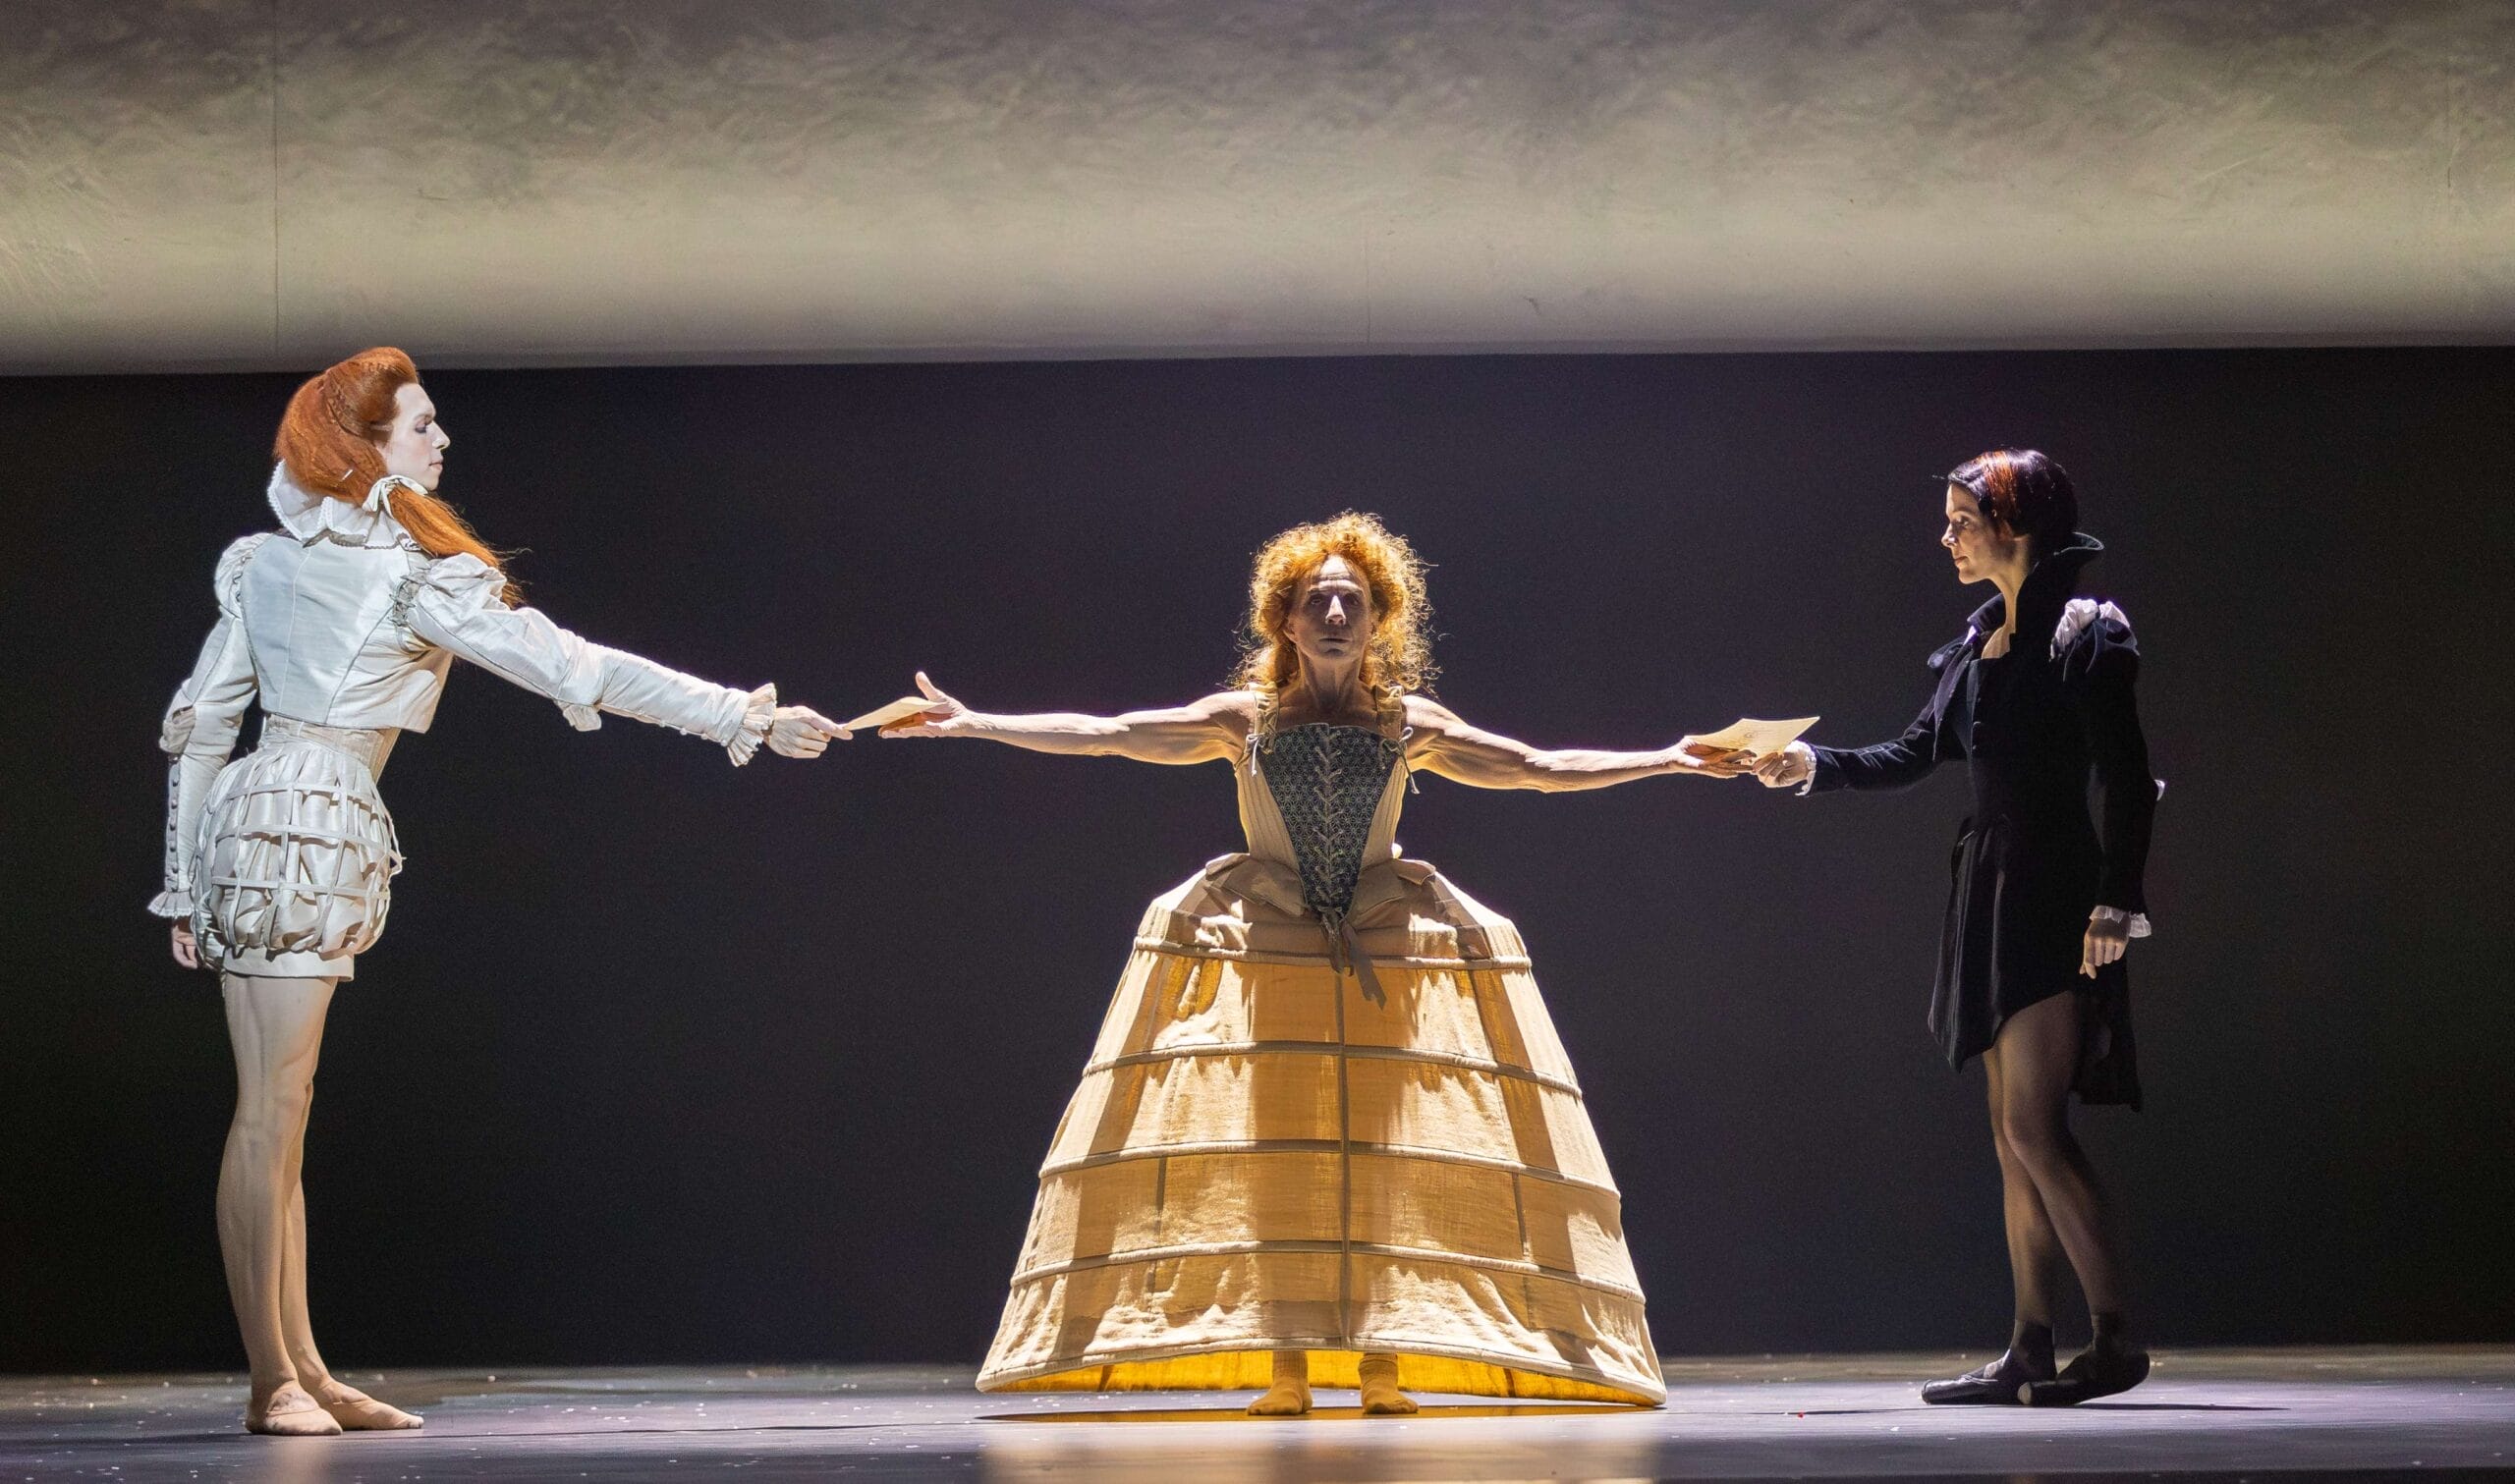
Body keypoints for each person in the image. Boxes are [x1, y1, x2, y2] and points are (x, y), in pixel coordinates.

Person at [885, 513, 1745, 1415]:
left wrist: (1671, 758)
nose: (1336, 610)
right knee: (1278, 1155)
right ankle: (1287, 1365)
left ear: (1379, 621)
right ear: (1285, 621)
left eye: (1354, 599)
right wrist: (973, 720)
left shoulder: (1408, 723)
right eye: (1316, 599)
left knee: (1378, 1157)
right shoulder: (1245, 719)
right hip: (1270, 945)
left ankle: (1381, 1363)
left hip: (1381, 940)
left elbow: (1535, 765)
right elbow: (1110, 732)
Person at [150, 348, 842, 1435]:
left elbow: (198, 731)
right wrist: (740, 715)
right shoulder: (402, 573)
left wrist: (185, 879)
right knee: (271, 1111)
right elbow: (576, 664)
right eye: (420, 424)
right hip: (304, 826)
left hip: (270, 817)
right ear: (366, 444)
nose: (441, 440)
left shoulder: (285, 563)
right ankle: (273, 1377)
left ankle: (303, 1365)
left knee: (282, 1111)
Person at [1753, 449, 2158, 1405]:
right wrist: (1808, 763)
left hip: (2054, 888)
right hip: (1987, 890)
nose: (1945, 536)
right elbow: (1912, 752)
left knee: (2032, 1123)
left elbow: (2128, 778)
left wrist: (2115, 899)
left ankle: (2113, 1339)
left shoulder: (2080, 632)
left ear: (2011, 524)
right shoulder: (1979, 641)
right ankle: (2026, 1340)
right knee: (2006, 1133)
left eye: (1959, 519)